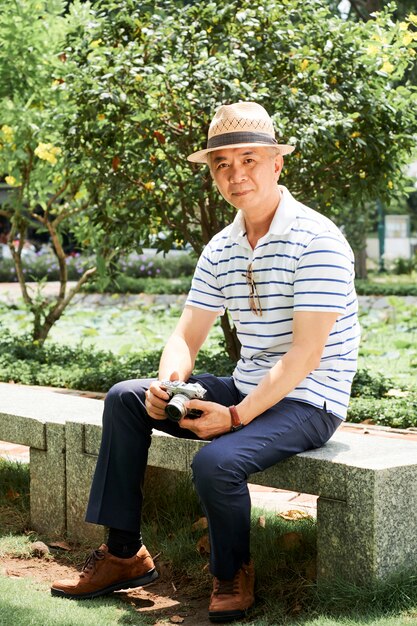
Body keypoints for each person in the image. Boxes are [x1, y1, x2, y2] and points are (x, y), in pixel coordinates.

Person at [51, 102, 360, 622]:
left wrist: (236, 417)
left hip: (310, 399)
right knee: (127, 399)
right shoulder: (222, 247)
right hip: (249, 385)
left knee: (216, 462)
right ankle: (125, 555)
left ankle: (231, 572)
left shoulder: (319, 240)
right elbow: (186, 333)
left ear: (276, 163)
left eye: (249, 160)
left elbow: (305, 355)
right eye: (222, 164)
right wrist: (171, 383)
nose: (236, 175)